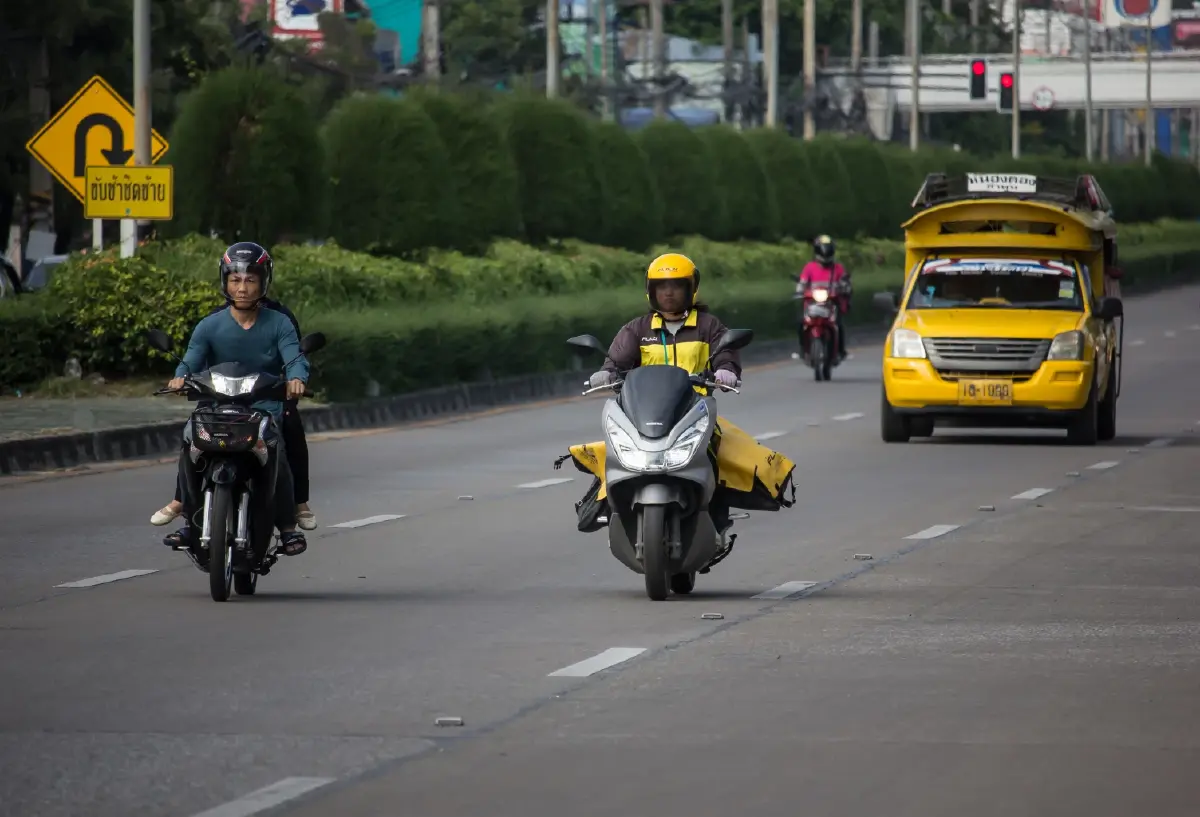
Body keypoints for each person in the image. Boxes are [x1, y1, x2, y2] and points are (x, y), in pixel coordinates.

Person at [157, 241, 311, 559]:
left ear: (263, 282)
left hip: (263, 406)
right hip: (216, 406)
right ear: (225, 281)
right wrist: (179, 378)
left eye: (250, 280)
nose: (242, 288)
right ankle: (190, 518)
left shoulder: (280, 323)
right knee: (191, 445)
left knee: (276, 451)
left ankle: (287, 527)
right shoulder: (209, 325)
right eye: (235, 279)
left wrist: (297, 379)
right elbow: (190, 361)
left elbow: (295, 358)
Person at [586, 252, 742, 532]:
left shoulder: (709, 326)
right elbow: (616, 361)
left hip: (694, 411)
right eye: (661, 287)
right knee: (613, 453)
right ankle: (608, 507)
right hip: (645, 413)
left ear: (691, 288)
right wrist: (605, 373)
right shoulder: (637, 329)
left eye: (676, 286)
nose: (668, 293)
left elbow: (725, 355)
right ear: (651, 291)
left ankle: (717, 516)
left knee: (719, 452)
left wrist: (726, 370)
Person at [796, 234, 850, 362]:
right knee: (800, 324)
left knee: (839, 326)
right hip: (812, 305)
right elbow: (802, 283)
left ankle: (840, 351)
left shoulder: (838, 268)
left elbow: (845, 283)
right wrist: (800, 291)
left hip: (831, 305)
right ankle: (803, 349)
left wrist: (844, 289)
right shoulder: (809, 267)